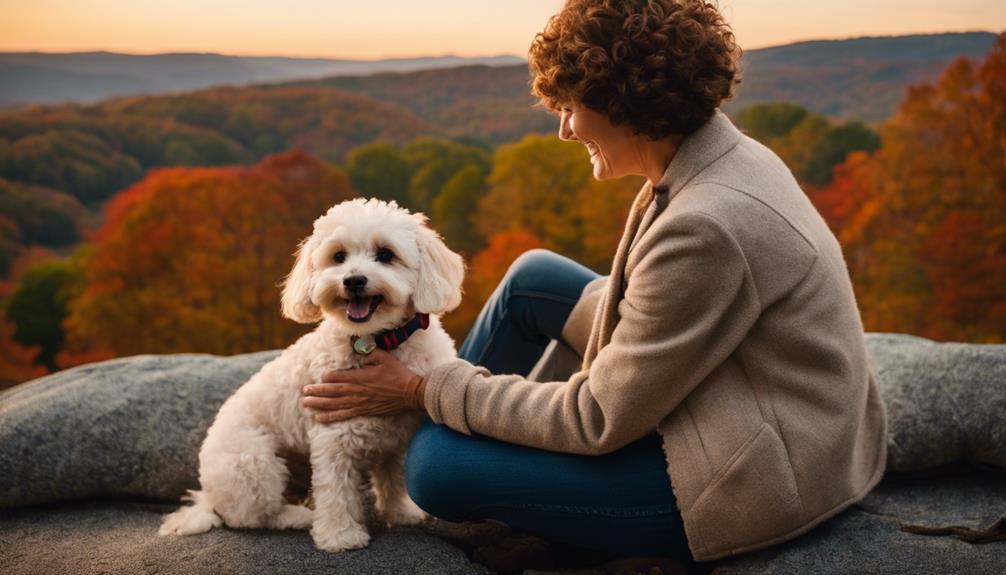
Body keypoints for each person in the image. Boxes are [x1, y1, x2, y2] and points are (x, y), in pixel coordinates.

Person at [301, 0, 887, 562]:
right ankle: (469, 429)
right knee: (533, 277)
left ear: (626, 102)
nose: (564, 129)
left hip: (751, 476)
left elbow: (596, 418)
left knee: (433, 468)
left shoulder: (706, 224)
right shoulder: (716, 153)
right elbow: (655, 313)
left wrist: (421, 390)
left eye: (571, 106)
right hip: (744, 396)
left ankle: (452, 431)